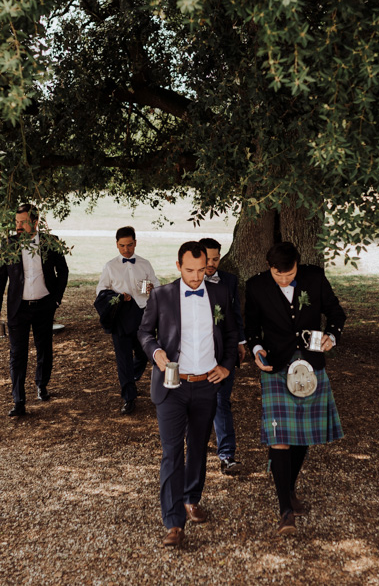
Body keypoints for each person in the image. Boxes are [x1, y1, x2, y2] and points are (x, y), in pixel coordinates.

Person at [138, 241, 238, 548]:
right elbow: (144, 333)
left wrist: (226, 367)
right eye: (190, 270)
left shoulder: (220, 294)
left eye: (202, 269)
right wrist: (154, 352)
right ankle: (173, 523)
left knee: (197, 446)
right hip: (172, 386)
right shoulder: (162, 295)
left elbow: (232, 334)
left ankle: (192, 498)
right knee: (172, 452)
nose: (197, 277)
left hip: (207, 383)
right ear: (179, 265)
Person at [245, 241, 346, 536]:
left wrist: (332, 337)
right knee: (280, 436)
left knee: (304, 435)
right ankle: (285, 512)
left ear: (297, 265)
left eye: (290, 275)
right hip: (276, 365)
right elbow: (250, 327)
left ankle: (287, 487)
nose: (285, 280)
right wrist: (257, 349)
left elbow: (336, 313)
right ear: (269, 268)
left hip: (311, 363)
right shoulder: (256, 286)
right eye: (279, 276)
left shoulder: (314, 278)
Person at [0, 204, 69, 416]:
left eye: (22, 222)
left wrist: (56, 300)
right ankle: (19, 401)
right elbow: (0, 278)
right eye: (16, 223)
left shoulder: (50, 242)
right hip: (18, 308)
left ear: (35, 222)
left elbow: (63, 271)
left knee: (44, 348)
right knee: (17, 354)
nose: (18, 227)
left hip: (44, 305)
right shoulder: (9, 245)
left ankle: (41, 385)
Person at [96, 226, 159, 415]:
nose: (126, 249)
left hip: (142, 314)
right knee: (123, 358)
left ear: (135, 243)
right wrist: (116, 296)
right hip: (121, 315)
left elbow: (156, 284)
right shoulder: (110, 266)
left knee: (143, 354)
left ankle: (130, 378)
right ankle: (129, 397)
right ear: (117, 245)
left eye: (129, 245)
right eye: (122, 246)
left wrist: (150, 289)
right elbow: (100, 290)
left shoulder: (145, 264)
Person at [197, 237, 247, 475]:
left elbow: (235, 315)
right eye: (207, 259)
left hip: (225, 352)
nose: (212, 263)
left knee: (221, 401)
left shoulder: (229, 281)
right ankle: (195, 441)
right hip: (196, 354)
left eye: (216, 259)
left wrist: (240, 342)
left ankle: (227, 455)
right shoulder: (186, 283)